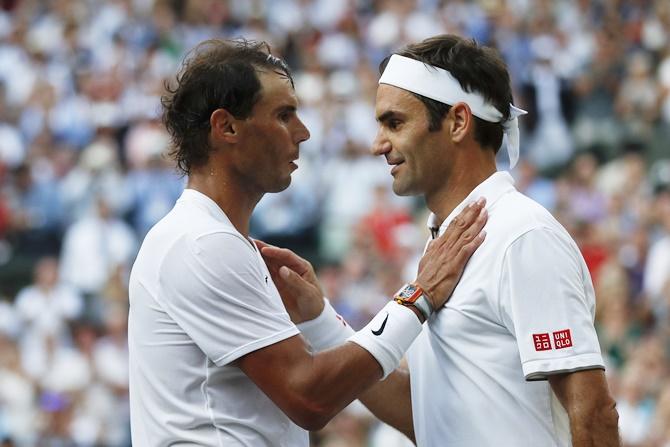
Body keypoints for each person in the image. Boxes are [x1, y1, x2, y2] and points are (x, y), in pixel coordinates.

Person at [262, 35, 621, 446]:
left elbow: (592, 412)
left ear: (458, 122)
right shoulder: (445, 244)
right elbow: (427, 417)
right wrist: (320, 319)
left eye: (394, 123)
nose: (378, 144)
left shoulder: (523, 235)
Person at [127, 39, 488, 446]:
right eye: (284, 115)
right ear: (226, 126)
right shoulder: (201, 242)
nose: (303, 133)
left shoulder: (209, 238)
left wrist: (319, 319)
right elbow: (310, 398)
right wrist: (418, 296)